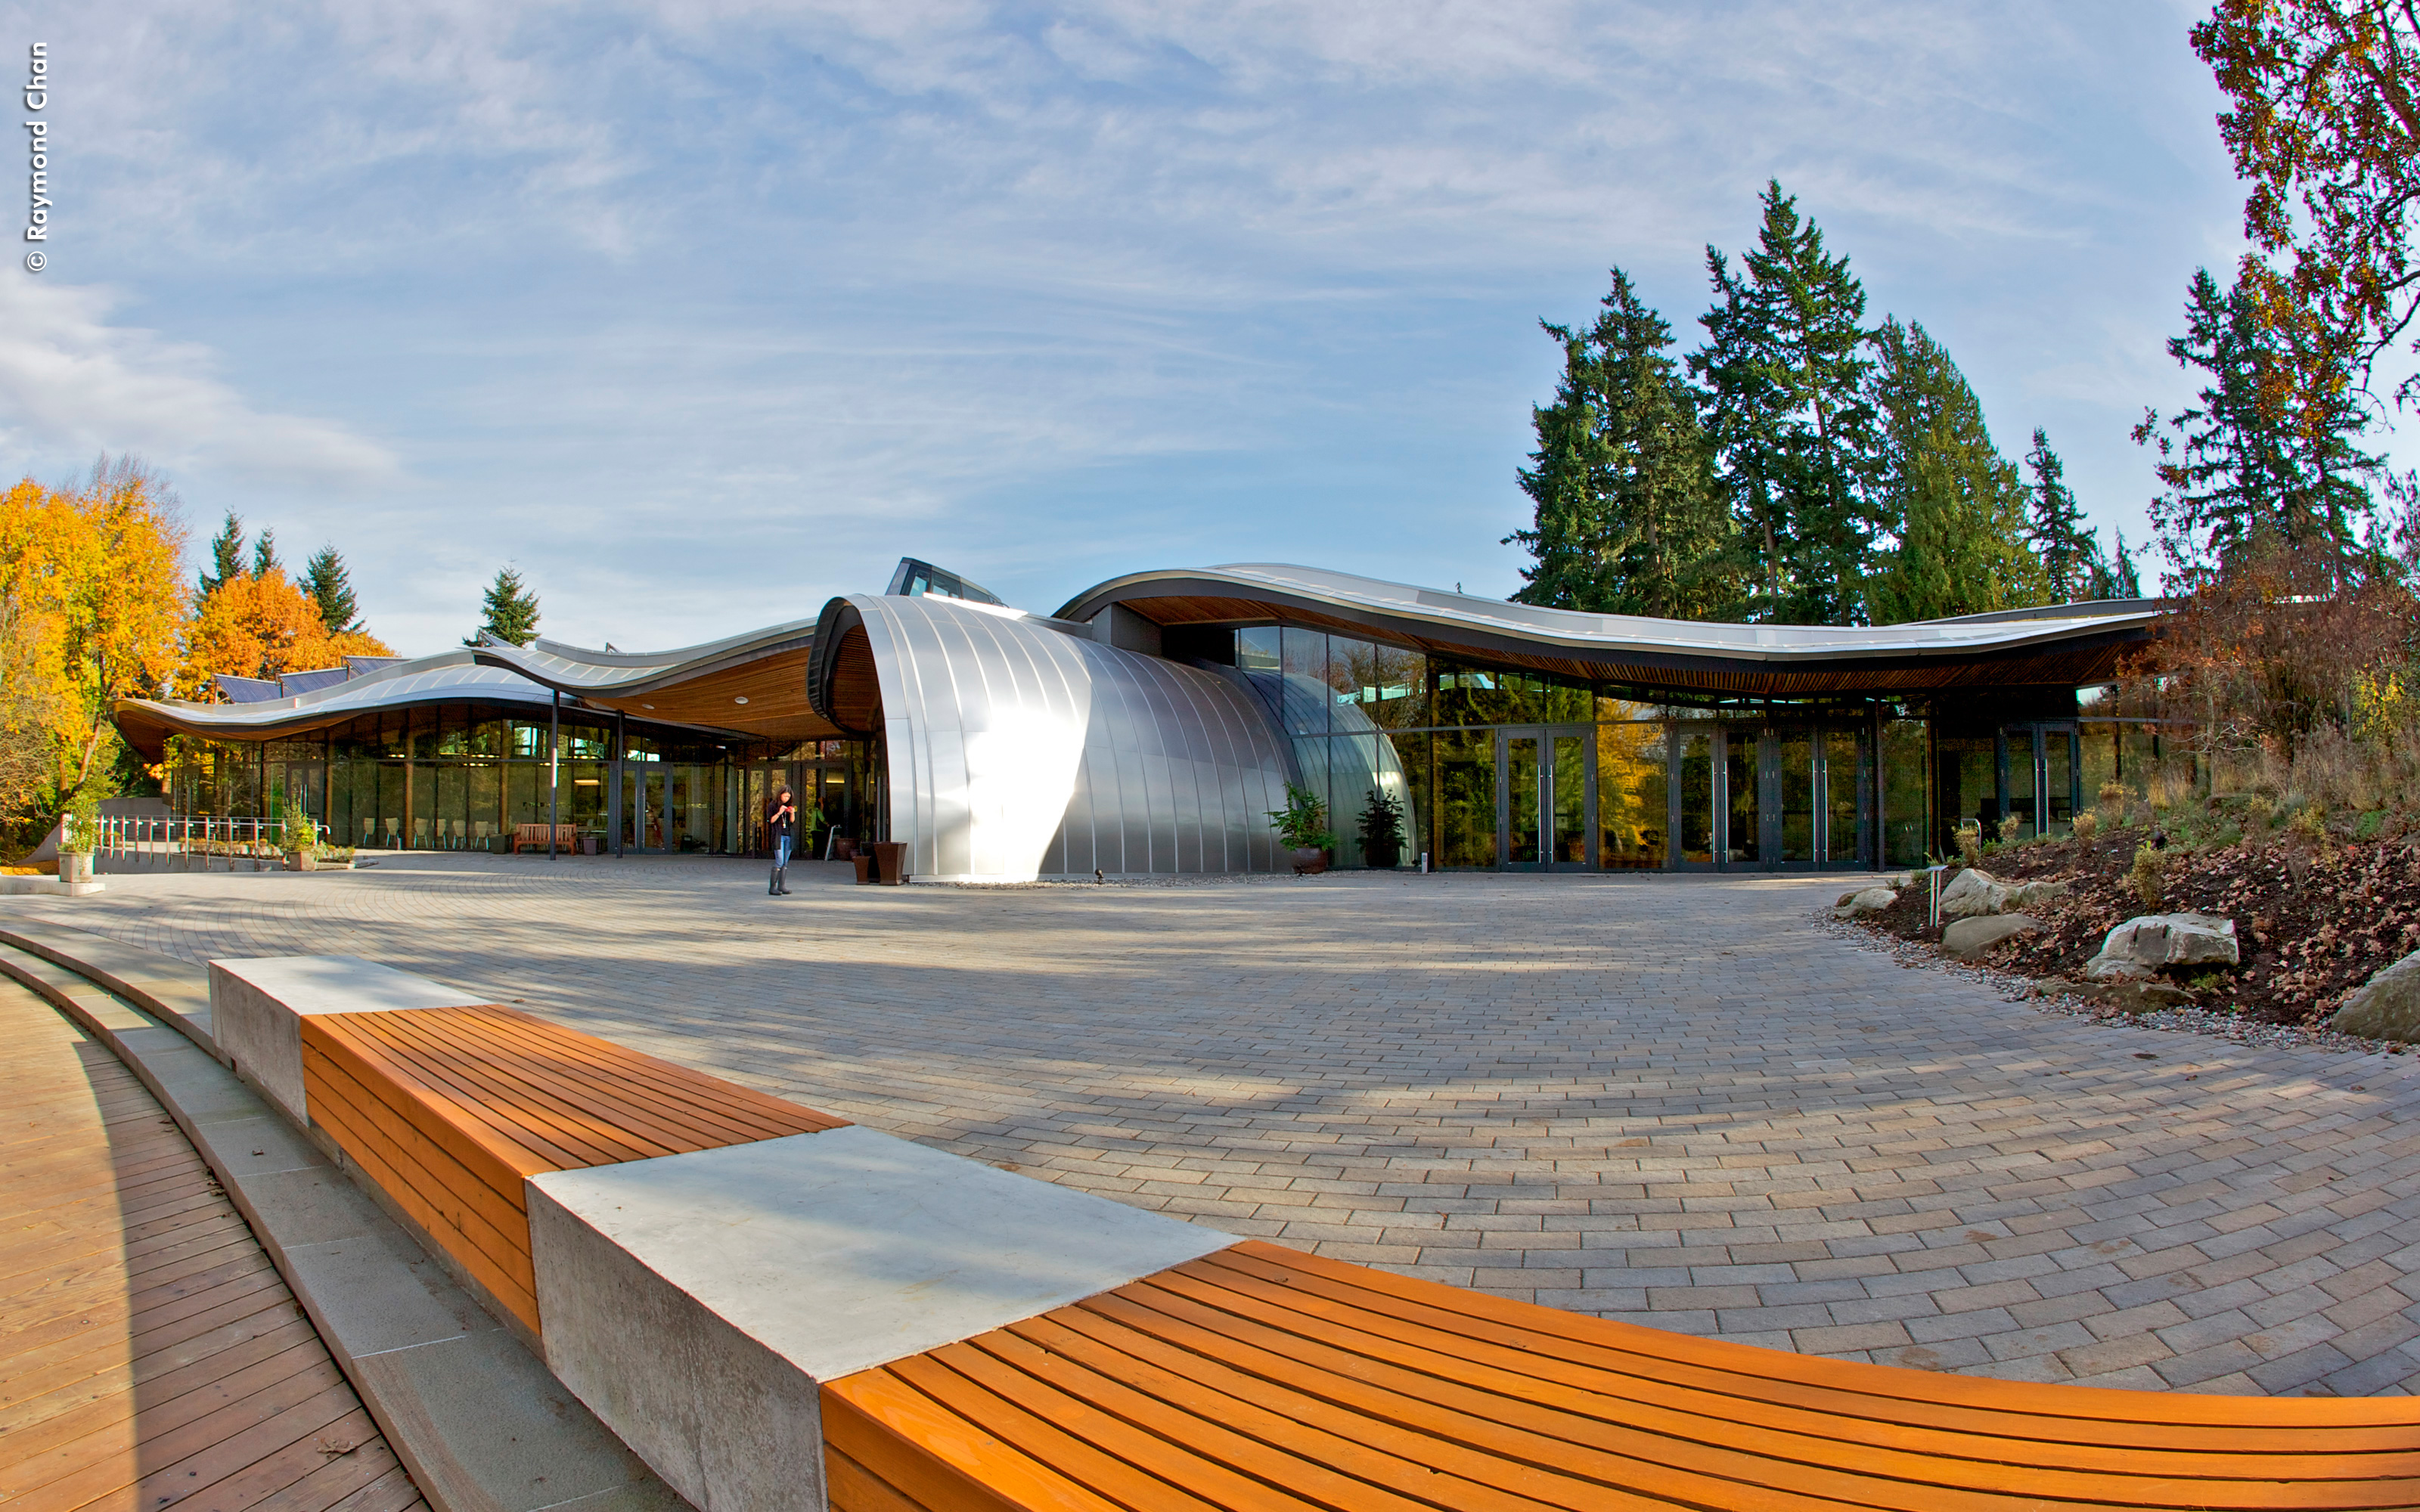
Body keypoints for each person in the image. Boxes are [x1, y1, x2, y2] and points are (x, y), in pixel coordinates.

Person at [765, 785, 797, 895]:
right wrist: (779, 813)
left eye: (788, 797)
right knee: (779, 861)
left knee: (785, 862)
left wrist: (792, 812)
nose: (786, 799)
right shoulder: (773, 805)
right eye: (785, 796)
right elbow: (771, 821)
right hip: (778, 836)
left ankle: (782, 886)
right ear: (780, 795)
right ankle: (772, 887)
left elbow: (792, 821)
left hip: (788, 836)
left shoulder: (789, 805)